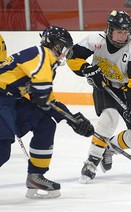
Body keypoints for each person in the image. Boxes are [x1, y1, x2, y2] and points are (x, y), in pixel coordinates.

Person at [0, 26, 94, 199]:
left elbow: (46, 101)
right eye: (64, 49)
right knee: (2, 150)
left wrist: (72, 119)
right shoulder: (42, 54)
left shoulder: (46, 63)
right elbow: (42, 95)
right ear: (56, 46)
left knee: (45, 123)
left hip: (11, 100)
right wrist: (71, 119)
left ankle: (35, 176)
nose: (65, 54)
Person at [67, 10, 131, 183]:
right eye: (119, 31)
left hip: (128, 89)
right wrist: (86, 69)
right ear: (109, 30)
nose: (123, 36)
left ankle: (110, 148)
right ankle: (92, 160)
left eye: (126, 31)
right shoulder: (95, 40)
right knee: (109, 120)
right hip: (104, 87)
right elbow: (72, 56)